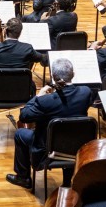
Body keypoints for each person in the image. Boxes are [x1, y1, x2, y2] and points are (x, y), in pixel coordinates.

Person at [6, 58, 92, 189]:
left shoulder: (45, 101)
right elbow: (70, 103)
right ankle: (68, 182)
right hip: (76, 146)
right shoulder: (85, 93)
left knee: (20, 134)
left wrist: (38, 96)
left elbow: (24, 116)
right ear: (73, 74)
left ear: (53, 77)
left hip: (48, 147)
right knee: (69, 134)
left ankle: (23, 177)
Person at [0, 18, 45, 132]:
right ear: (20, 33)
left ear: (5, 30)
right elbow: (40, 58)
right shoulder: (27, 48)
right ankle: (28, 119)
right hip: (21, 92)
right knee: (31, 84)